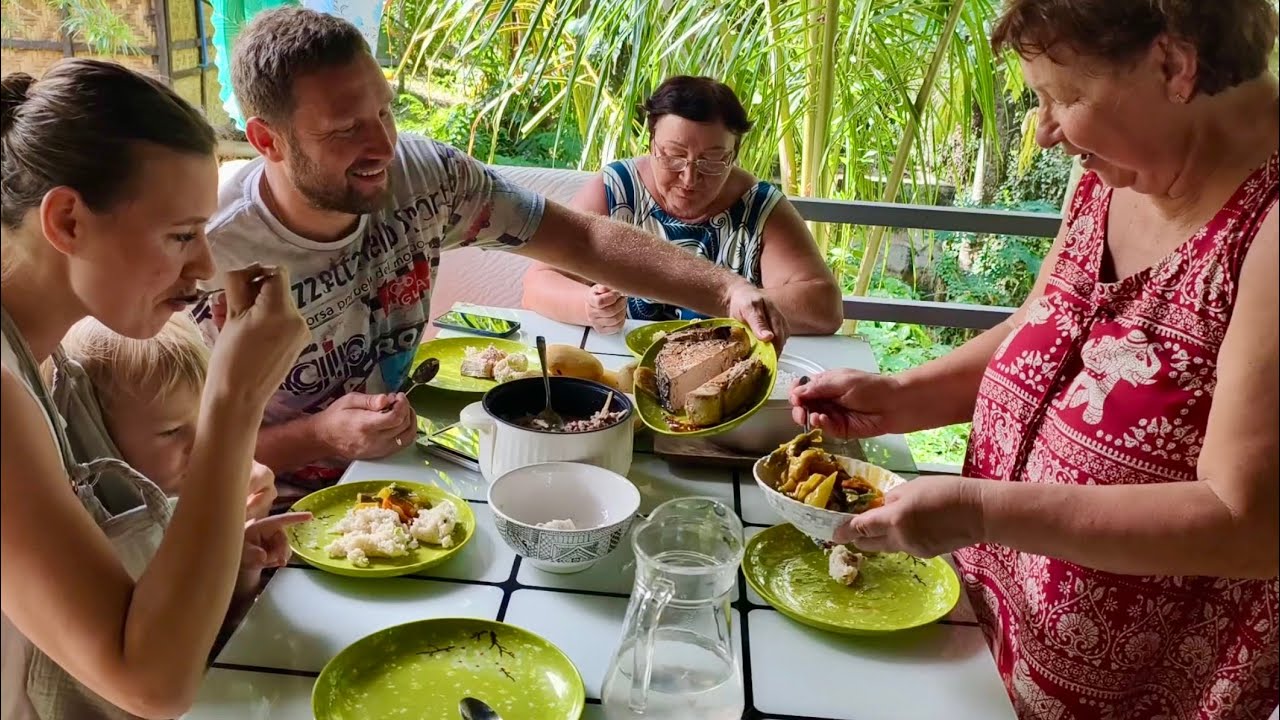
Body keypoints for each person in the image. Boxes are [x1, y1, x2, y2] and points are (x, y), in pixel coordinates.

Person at [790, 2, 1279, 718]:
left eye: (1063, 97)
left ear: (1174, 66)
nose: (1045, 131)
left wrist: (983, 511)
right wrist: (899, 395)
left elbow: (1248, 522)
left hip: (1133, 690)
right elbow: (1045, 326)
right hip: (988, 639)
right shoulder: (1120, 169)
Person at [198, 7, 792, 504]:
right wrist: (319, 435)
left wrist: (727, 290)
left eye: (385, 110)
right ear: (266, 140)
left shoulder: (426, 176)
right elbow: (179, 459)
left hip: (409, 464)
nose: (383, 144)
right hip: (273, 511)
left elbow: (583, 240)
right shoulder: (209, 261)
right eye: (344, 129)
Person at [0, 59, 310, 719]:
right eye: (180, 237)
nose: (202, 267)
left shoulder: (54, 367)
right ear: (68, 223)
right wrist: (233, 404)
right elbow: (151, 684)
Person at [520, 76, 843, 336]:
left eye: (713, 160)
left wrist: (736, 303)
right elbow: (537, 284)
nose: (690, 177)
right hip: (616, 360)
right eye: (673, 156)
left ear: (734, 156)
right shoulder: (616, 188)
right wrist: (587, 306)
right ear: (651, 145)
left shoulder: (758, 205)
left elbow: (823, 307)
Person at [60, 313, 278, 520]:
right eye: (171, 431)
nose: (204, 444)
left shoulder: (193, 481)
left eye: (205, 419)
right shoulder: (86, 531)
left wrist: (247, 517)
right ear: (96, 439)